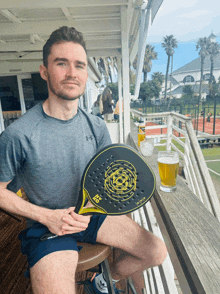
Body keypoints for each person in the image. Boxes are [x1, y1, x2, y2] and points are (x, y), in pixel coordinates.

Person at [0, 26, 167, 294]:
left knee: (156, 252)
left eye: (79, 65)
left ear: (86, 74)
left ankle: (101, 280)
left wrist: (111, 210)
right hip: (48, 227)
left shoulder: (97, 127)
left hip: (93, 215)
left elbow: (108, 179)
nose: (71, 73)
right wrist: (47, 216)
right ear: (44, 71)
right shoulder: (18, 134)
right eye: (61, 63)